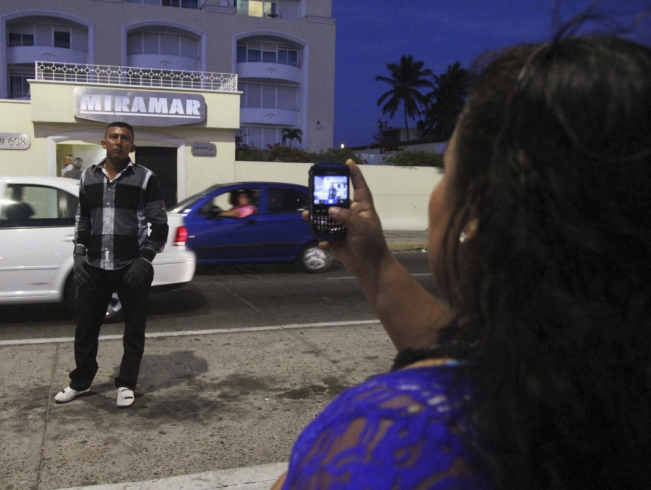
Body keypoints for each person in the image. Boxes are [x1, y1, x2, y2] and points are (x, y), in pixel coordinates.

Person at [274, 34, 651, 489]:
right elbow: (479, 352)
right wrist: (373, 265)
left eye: (445, 171)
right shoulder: (599, 371)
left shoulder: (396, 432)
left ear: (477, 214)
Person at [55, 122, 169, 408]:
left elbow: (161, 225)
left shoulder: (145, 179)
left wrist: (145, 260)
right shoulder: (87, 177)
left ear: (131, 146)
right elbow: (83, 220)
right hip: (94, 265)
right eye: (114, 137)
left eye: (125, 138)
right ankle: (81, 382)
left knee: (133, 330)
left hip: (131, 268)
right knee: (85, 329)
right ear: (104, 143)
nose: (119, 142)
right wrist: (79, 255)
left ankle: (127, 383)